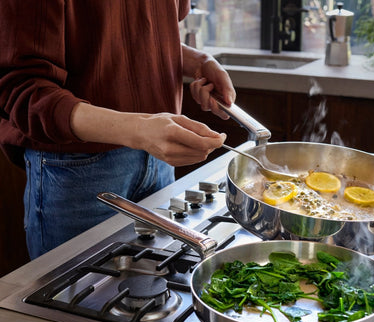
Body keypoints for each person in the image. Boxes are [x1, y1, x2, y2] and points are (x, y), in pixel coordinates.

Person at [0, 0, 236, 259]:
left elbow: (134, 38)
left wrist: (199, 62)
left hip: (158, 158)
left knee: (158, 281)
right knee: (78, 285)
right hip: (77, 172)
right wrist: (139, 130)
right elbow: (21, 87)